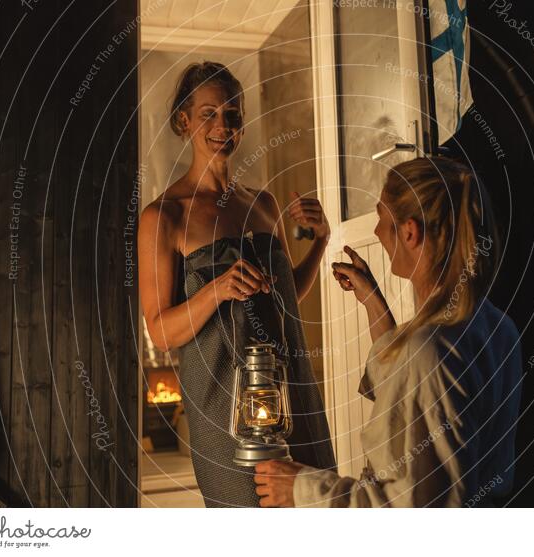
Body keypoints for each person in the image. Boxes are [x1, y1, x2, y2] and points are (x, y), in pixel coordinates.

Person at [254, 156, 523, 507]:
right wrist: (373, 302)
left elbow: (411, 510)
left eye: (381, 217)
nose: (377, 231)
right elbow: (410, 397)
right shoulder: (496, 327)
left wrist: (302, 488)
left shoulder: (428, 351)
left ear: (409, 231)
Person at [137, 61, 336, 507]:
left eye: (232, 113)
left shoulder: (262, 203)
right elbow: (160, 331)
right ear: (184, 122)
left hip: (292, 393)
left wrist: (321, 243)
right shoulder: (163, 216)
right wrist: (215, 289)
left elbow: (282, 298)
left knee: (316, 513)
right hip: (224, 409)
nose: (223, 124)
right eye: (209, 113)